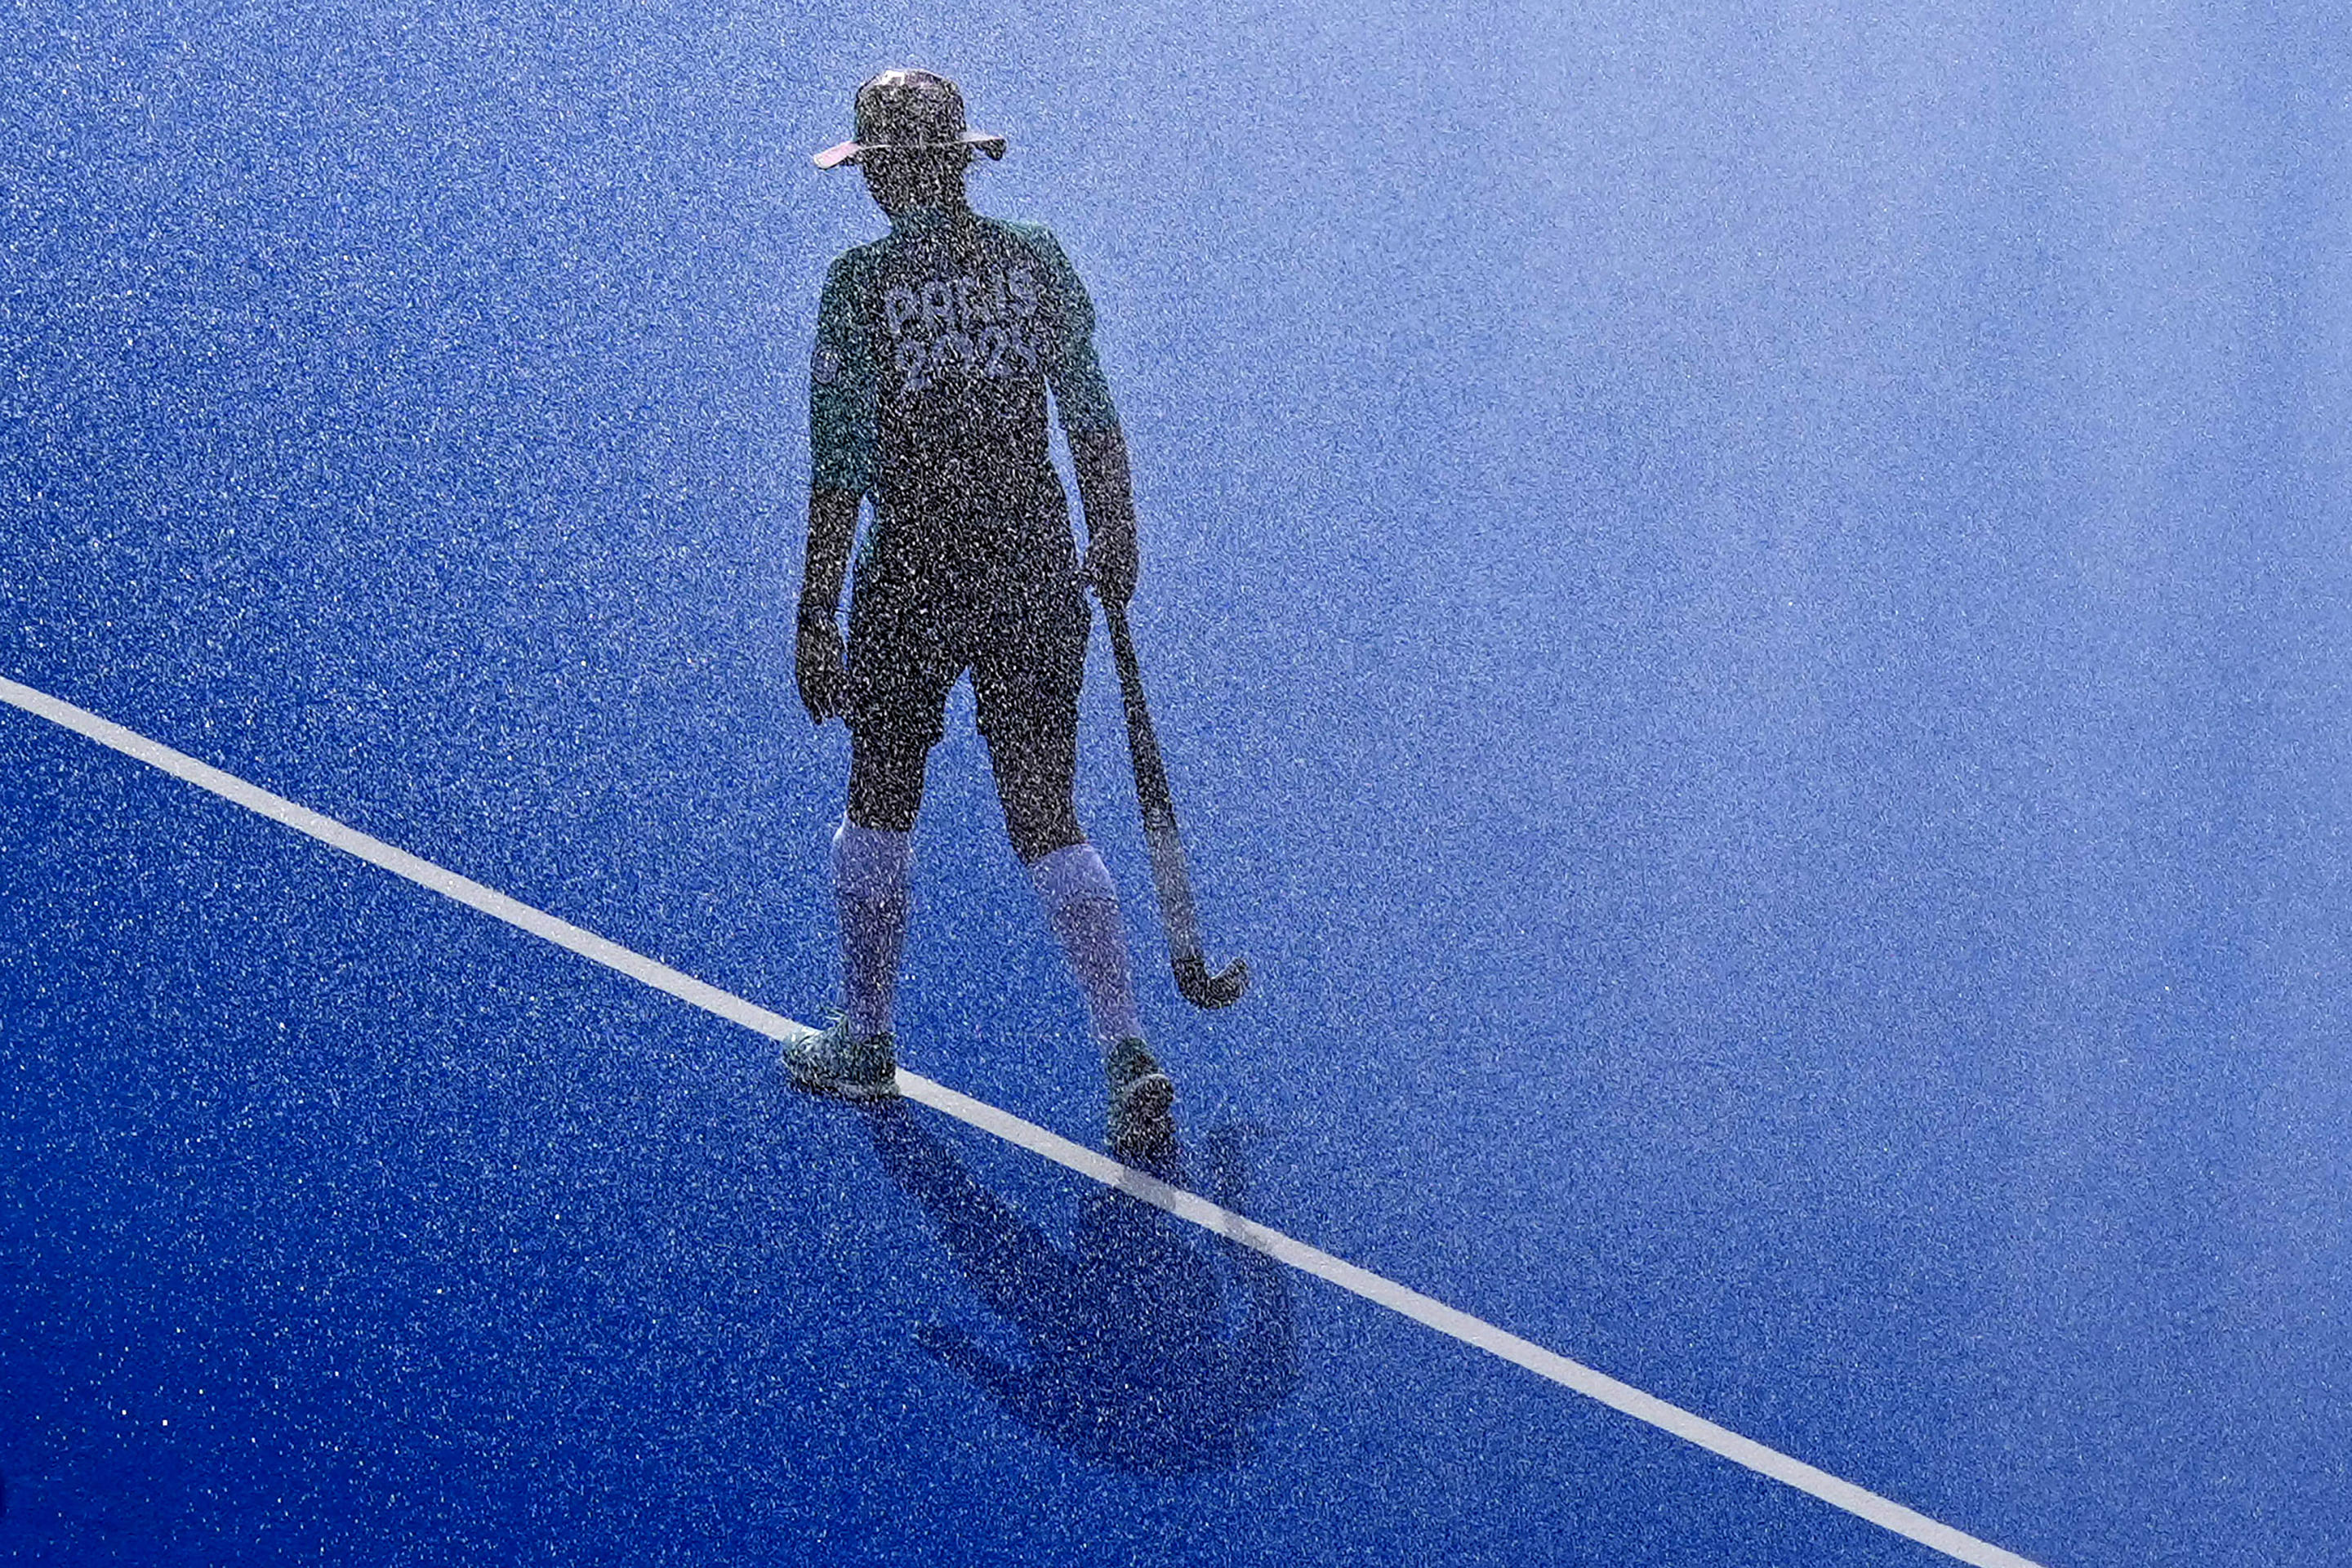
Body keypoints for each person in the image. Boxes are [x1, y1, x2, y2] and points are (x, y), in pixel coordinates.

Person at [784, 68, 1174, 1156]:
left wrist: (815, 612)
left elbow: (840, 463)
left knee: (882, 796)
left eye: (865, 169)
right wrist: (1118, 529)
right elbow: (1089, 413)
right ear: (959, 163)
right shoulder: (1034, 260)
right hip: (1036, 563)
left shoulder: (858, 285)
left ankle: (865, 1038)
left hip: (912, 570)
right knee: (1047, 808)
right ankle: (1125, 1048)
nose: (860, 190)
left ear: (892, 174)